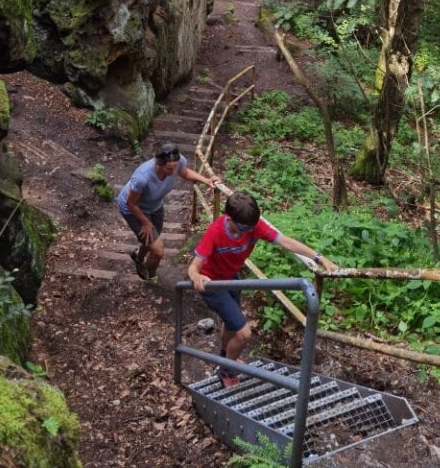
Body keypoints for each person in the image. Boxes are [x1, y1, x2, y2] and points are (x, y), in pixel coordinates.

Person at [187, 191, 338, 387]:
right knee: (243, 333)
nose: (248, 232)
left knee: (231, 323)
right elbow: (193, 266)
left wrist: (319, 257)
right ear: (229, 219)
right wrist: (196, 277)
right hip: (213, 284)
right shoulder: (216, 232)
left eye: (250, 227)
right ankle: (226, 371)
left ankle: (226, 358)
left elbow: (286, 241)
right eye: (243, 228)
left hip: (233, 279)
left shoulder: (253, 226)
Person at [118, 140, 220, 280]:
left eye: (174, 168)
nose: (173, 172)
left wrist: (206, 180)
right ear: (157, 164)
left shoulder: (177, 162)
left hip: (155, 205)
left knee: (152, 238)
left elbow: (184, 172)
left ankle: (138, 257)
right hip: (134, 208)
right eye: (168, 169)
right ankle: (150, 277)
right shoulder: (142, 177)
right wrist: (146, 223)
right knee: (158, 250)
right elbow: (131, 203)